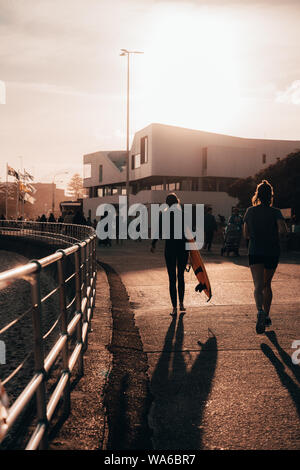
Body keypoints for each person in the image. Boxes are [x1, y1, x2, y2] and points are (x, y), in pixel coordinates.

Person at [243, 180, 287, 334]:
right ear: (271, 196)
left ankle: (259, 312)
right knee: (267, 285)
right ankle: (266, 315)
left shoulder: (250, 211)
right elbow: (282, 230)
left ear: (258, 195)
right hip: (272, 251)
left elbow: (246, 234)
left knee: (257, 285)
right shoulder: (276, 212)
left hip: (255, 251)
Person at [151, 193, 189, 316]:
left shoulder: (164, 215)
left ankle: (174, 308)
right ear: (177, 202)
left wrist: (153, 244)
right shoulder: (183, 215)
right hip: (183, 248)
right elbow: (189, 233)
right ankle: (182, 304)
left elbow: (158, 231)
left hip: (170, 248)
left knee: (172, 279)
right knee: (181, 276)